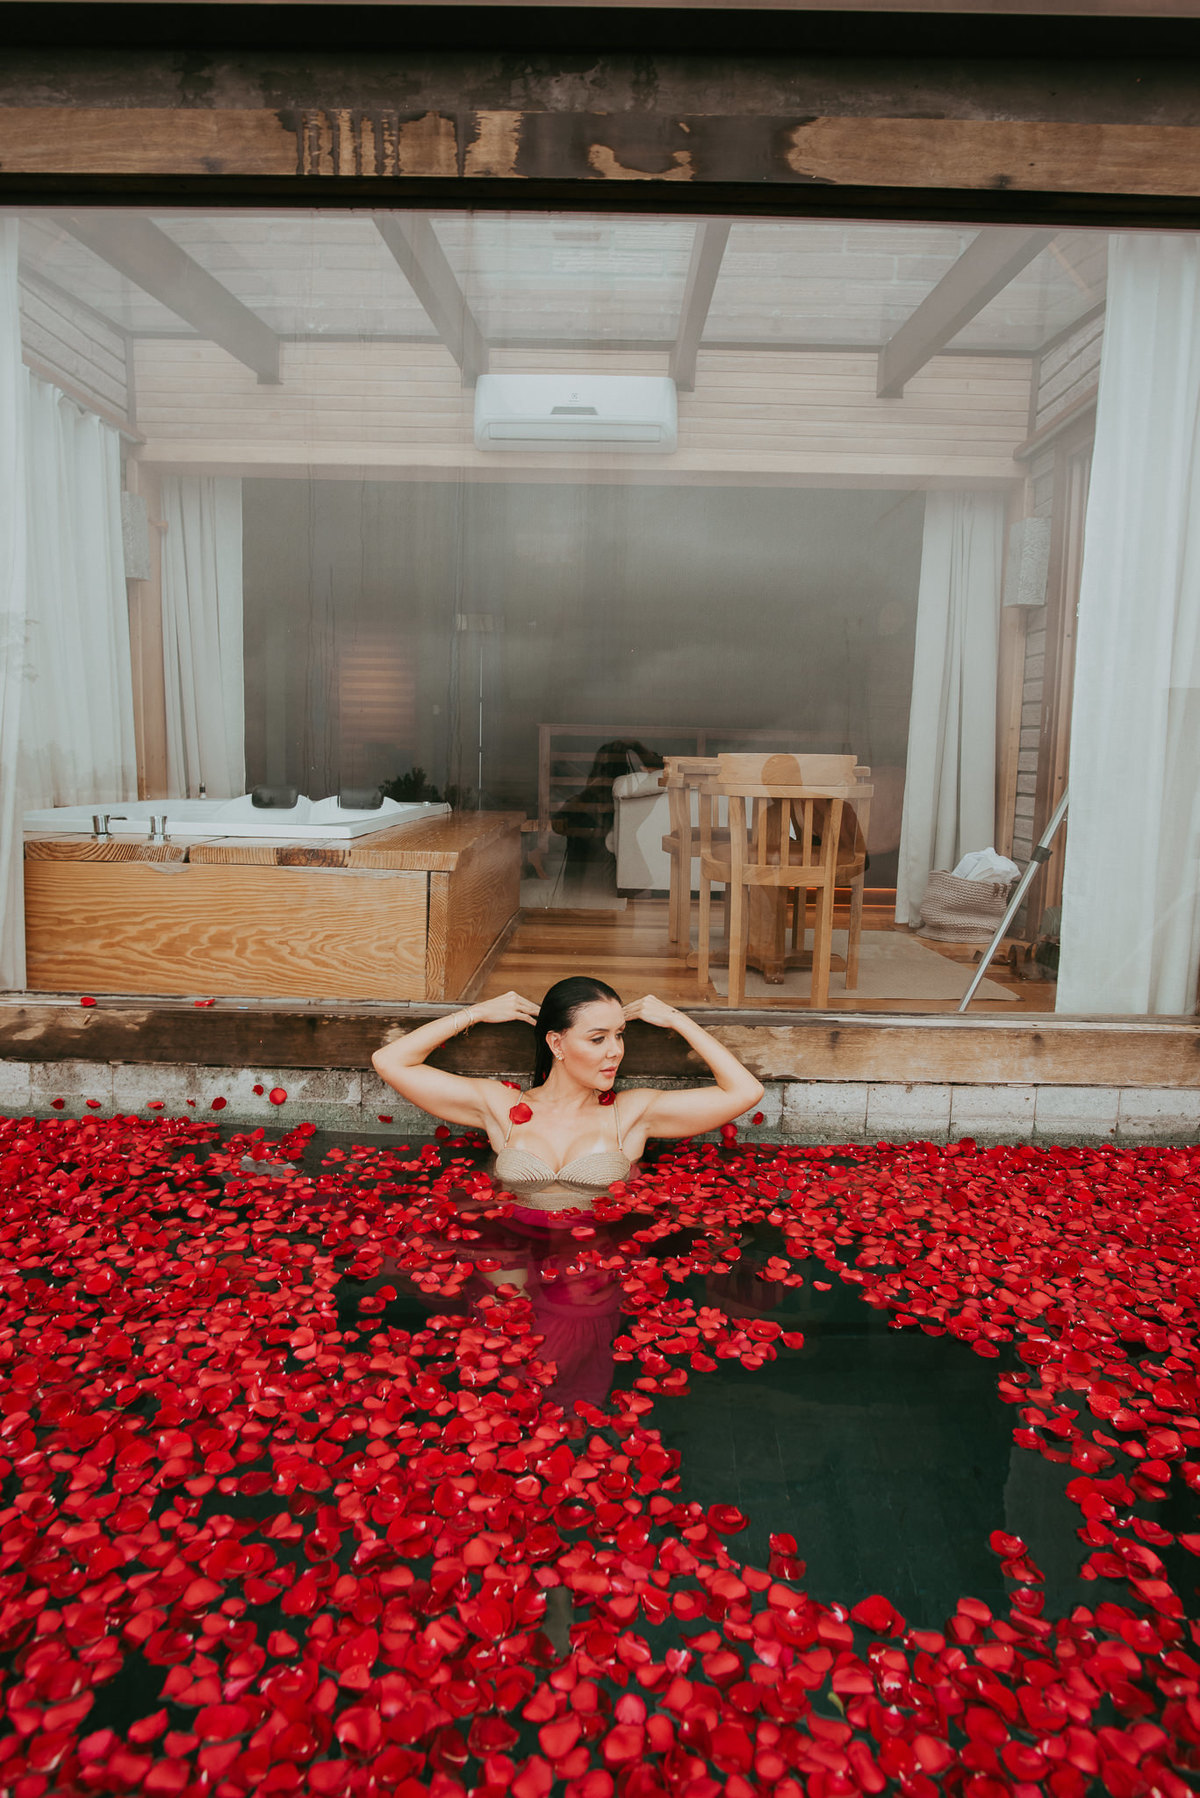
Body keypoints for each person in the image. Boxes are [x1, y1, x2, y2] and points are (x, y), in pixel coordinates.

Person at [370, 976, 764, 1199]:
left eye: (619, 1035)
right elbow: (389, 1061)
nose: (615, 1052)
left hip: (596, 1272)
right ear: (557, 1044)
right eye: (598, 1039)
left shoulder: (631, 1114)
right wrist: (476, 1012)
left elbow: (745, 1093)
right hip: (513, 1267)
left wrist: (678, 1019)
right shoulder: (498, 1105)